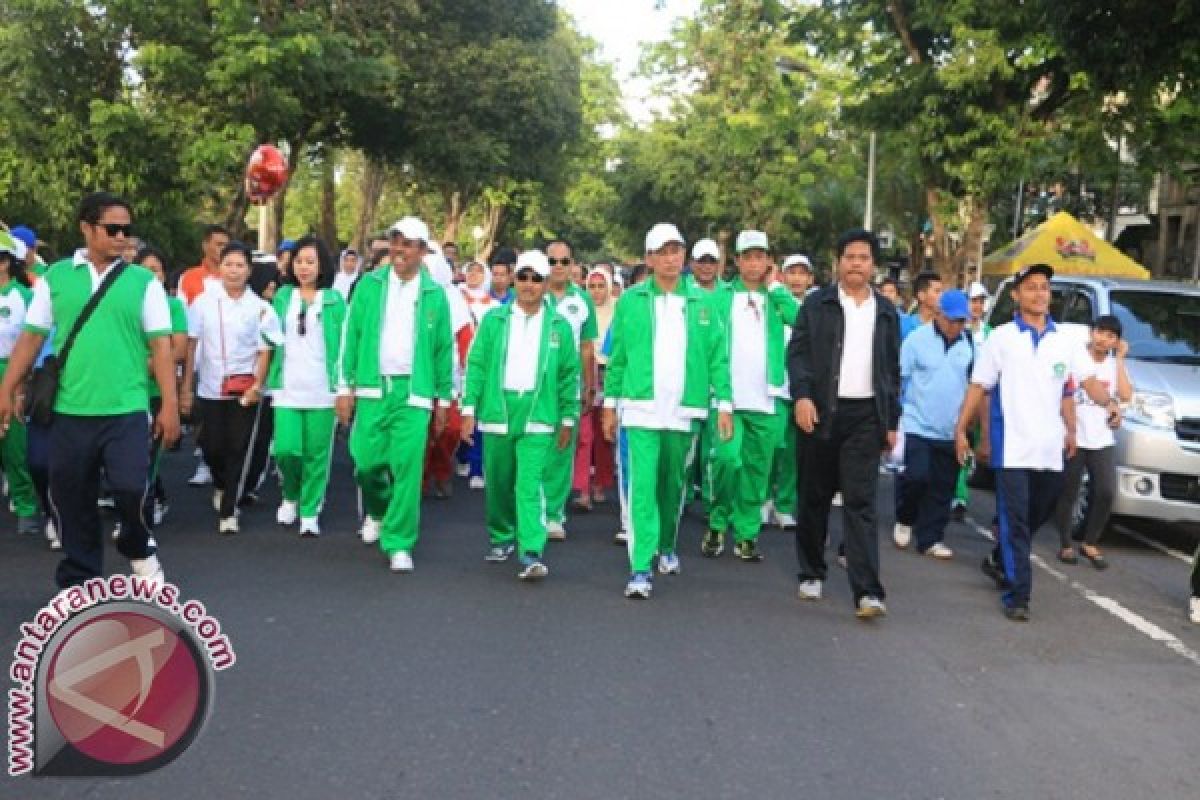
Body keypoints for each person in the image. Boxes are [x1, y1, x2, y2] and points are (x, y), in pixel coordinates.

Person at [0, 191, 180, 587]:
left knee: (131, 487)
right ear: (86, 227)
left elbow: (161, 347)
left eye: (127, 230)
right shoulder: (57, 277)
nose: (121, 237)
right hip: (70, 409)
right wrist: (6, 388)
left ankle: (137, 545)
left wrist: (170, 404)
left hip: (127, 407)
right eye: (112, 229)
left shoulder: (142, 282)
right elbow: (30, 338)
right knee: (73, 499)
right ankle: (80, 579)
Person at [954, 263, 1116, 621]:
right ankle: (1018, 594)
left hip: (1050, 449)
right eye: (1031, 287)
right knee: (1014, 520)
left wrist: (1108, 405)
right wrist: (962, 429)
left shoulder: (1065, 341)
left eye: (1044, 287)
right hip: (1012, 448)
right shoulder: (1001, 338)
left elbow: (1084, 383)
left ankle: (999, 558)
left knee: (1036, 512)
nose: (1040, 294)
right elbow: (979, 386)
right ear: (1016, 295)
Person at [602, 223, 733, 598]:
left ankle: (667, 544)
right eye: (664, 251)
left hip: (684, 410)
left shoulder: (703, 304)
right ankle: (640, 568)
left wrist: (724, 403)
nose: (672, 258)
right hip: (641, 408)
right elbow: (620, 357)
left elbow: (718, 359)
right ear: (650, 258)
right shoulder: (631, 300)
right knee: (642, 486)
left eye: (677, 250)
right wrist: (610, 405)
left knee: (671, 484)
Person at [789, 228, 900, 619]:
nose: (857, 263)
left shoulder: (886, 312)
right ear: (838, 262)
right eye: (850, 256)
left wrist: (891, 420)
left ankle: (868, 591)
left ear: (873, 265)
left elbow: (891, 370)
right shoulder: (817, 305)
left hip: (866, 417)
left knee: (861, 502)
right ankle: (811, 571)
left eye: (864, 257)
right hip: (819, 413)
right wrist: (802, 396)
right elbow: (798, 356)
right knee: (814, 496)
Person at [338, 216, 453, 573]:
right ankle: (378, 510)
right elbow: (350, 335)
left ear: (422, 251)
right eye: (396, 242)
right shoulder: (369, 285)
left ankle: (400, 542)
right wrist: (345, 387)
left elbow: (444, 352)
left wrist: (444, 400)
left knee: (406, 468)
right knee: (366, 462)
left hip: (414, 393)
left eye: (408, 244)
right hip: (373, 387)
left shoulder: (435, 295)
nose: (400, 250)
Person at [461, 250, 579, 580]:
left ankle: (531, 551)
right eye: (523, 277)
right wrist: (468, 408)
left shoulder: (560, 326)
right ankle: (501, 536)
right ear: (514, 279)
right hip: (498, 409)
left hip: (539, 412)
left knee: (529, 485)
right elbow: (477, 364)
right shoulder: (494, 320)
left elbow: (570, 375)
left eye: (536, 279)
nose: (529, 285)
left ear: (545, 284)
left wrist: (568, 417)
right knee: (498, 480)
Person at [706, 231, 799, 562]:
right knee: (727, 461)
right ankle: (717, 522)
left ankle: (746, 534)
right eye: (748, 256)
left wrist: (775, 288)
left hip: (767, 397)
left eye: (760, 256)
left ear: (768, 261)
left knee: (757, 471)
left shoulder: (778, 297)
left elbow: (800, 321)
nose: (754, 262)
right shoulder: (722, 297)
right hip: (728, 399)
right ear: (738, 261)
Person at [181, 241, 276, 533]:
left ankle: (229, 511)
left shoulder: (260, 307)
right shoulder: (203, 303)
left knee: (239, 447)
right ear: (219, 268)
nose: (234, 271)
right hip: (210, 387)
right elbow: (192, 344)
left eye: (240, 266)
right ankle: (221, 484)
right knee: (212, 447)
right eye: (228, 265)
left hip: (244, 388)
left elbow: (265, 350)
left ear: (249, 271)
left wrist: (257, 385)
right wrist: (186, 386)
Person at [266, 236, 346, 537]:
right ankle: (290, 495)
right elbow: (269, 337)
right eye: (298, 261)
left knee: (316, 454)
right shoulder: (284, 296)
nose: (303, 267)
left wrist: (343, 386)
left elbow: (344, 344)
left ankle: (310, 510)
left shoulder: (334, 300)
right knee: (286, 450)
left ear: (322, 265)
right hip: (286, 386)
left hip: (322, 389)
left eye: (310, 262)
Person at [893, 289, 975, 559]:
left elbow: (976, 387)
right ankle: (905, 517)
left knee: (943, 486)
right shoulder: (916, 340)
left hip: (951, 428)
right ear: (938, 315)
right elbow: (900, 379)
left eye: (961, 321)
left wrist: (965, 428)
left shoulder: (971, 345)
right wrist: (894, 419)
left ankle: (931, 538)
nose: (956, 326)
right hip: (917, 422)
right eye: (951, 319)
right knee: (917, 476)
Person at [1052, 315, 1132, 568]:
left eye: (1110, 336)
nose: (1103, 339)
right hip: (1074, 434)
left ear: (1116, 342)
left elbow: (1126, 394)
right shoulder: (1076, 358)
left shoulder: (1112, 364)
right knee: (1069, 490)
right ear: (1091, 332)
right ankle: (1065, 544)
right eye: (1100, 332)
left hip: (1101, 438)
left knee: (1106, 491)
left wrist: (1120, 359)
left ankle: (1090, 542)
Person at [542, 239, 598, 540]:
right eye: (553, 262)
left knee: (563, 448)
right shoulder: (532, 291)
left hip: (568, 388)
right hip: (535, 386)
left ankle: (553, 514)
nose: (559, 268)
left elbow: (587, 347)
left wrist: (590, 386)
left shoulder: (582, 299)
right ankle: (530, 506)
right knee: (535, 448)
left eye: (565, 262)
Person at [133, 245, 188, 528]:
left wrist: (143, 363)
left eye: (155, 270)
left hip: (156, 391)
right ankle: (149, 499)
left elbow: (177, 349)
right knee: (130, 457)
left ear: (164, 275)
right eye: (144, 270)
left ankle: (143, 513)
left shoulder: (174, 306)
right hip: (128, 391)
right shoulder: (127, 303)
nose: (150, 275)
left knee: (148, 455)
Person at [763, 254, 813, 530]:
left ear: (810, 279)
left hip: (803, 391)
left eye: (801, 273)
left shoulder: (814, 307)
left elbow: (799, 318)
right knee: (770, 447)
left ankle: (783, 505)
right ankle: (763, 500)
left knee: (794, 453)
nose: (796, 278)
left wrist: (776, 289)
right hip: (774, 387)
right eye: (790, 272)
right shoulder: (771, 302)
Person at [0, 232, 41, 535]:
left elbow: (33, 344)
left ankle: (26, 505)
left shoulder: (23, 297)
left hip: (10, 371)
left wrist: (20, 387)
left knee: (14, 445)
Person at [571, 268, 617, 510]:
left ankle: (601, 482)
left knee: (605, 434)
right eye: (593, 286)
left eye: (602, 286)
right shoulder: (580, 310)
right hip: (586, 373)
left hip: (611, 374)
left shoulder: (619, 309)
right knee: (584, 433)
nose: (597, 292)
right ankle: (583, 490)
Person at [952, 280, 994, 520]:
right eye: (972, 301)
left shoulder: (990, 333)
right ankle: (958, 494)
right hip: (961, 393)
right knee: (961, 440)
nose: (976, 306)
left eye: (979, 301)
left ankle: (960, 491)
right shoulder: (956, 330)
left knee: (976, 445)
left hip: (983, 398)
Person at [457, 260, 497, 489]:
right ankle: (461, 457)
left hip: (482, 366)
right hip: (458, 365)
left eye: (479, 271)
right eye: (469, 270)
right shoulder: (456, 298)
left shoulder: (493, 305)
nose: (473, 274)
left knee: (479, 415)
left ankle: (476, 467)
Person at [179, 223, 231, 305]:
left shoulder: (235, 276)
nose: (224, 249)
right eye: (219, 244)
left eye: (226, 246)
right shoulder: (188, 277)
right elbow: (182, 310)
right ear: (205, 246)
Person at [900, 271, 943, 340]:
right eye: (937, 291)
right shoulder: (903, 326)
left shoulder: (945, 327)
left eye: (942, 291)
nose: (942, 295)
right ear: (921, 295)